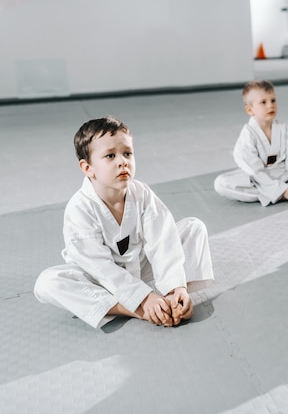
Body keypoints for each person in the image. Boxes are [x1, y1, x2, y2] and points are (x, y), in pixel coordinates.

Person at [34, 117, 214, 329]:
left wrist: (177, 289)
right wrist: (145, 301)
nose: (122, 161)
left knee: (193, 227)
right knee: (48, 283)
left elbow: (162, 241)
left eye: (127, 153)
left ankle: (170, 299)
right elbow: (100, 268)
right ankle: (133, 309)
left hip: (139, 264)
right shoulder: (80, 208)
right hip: (98, 278)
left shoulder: (142, 193)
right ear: (87, 167)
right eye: (110, 156)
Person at [214, 79, 288, 206]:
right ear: (250, 110)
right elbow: (254, 171)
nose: (270, 105)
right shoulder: (248, 134)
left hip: (284, 172)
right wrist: (282, 190)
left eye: (273, 100)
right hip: (260, 178)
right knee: (221, 183)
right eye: (263, 102)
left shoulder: (283, 129)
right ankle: (281, 194)